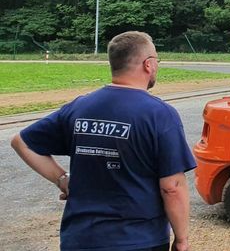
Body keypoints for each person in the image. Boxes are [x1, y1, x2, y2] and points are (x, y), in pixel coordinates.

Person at [10, 31, 196, 251]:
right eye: (157, 59)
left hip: (80, 239)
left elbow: (21, 141)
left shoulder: (79, 107)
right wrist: (182, 239)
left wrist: (62, 179)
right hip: (138, 240)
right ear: (148, 64)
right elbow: (172, 187)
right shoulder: (160, 114)